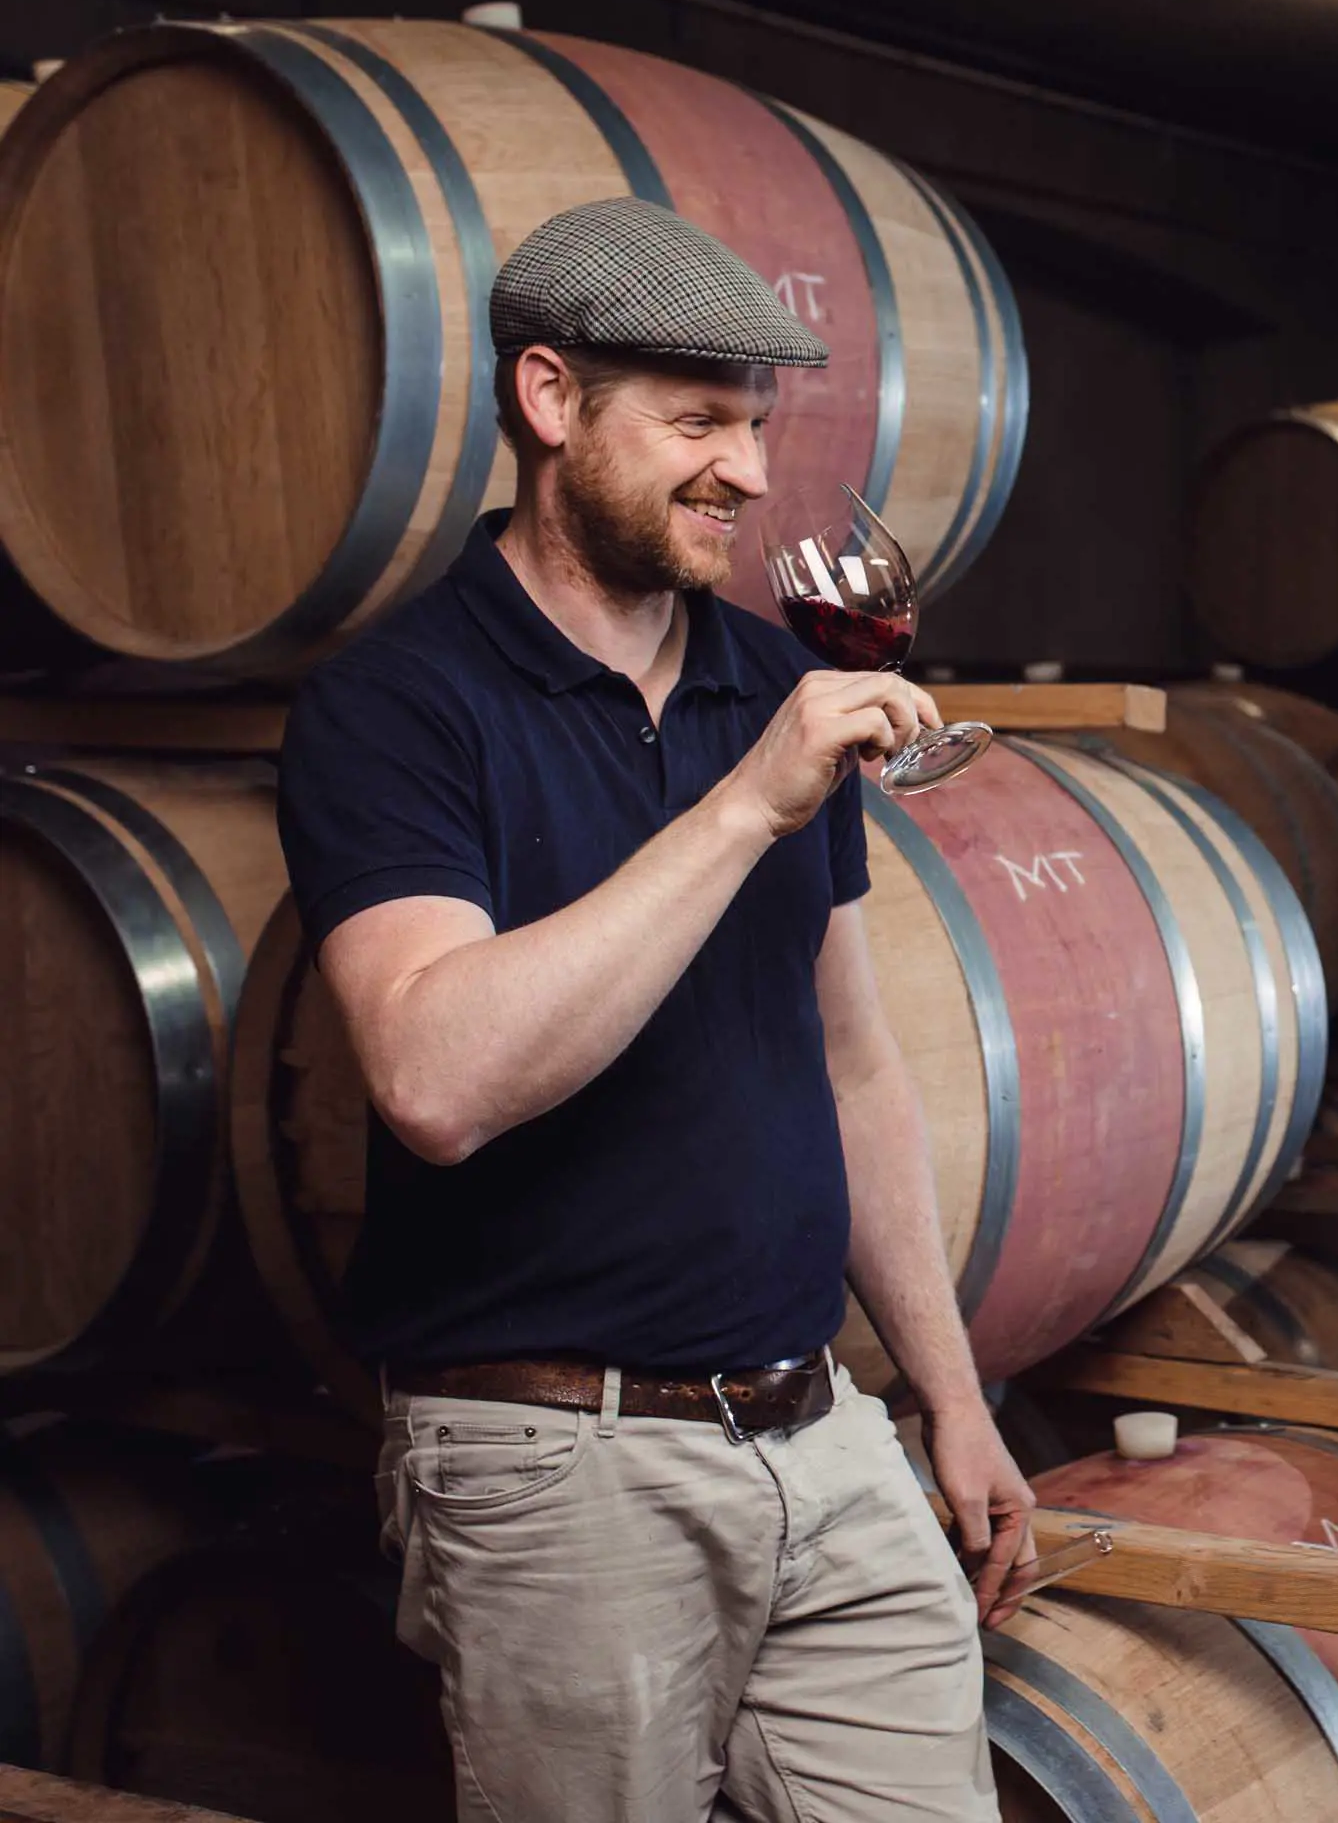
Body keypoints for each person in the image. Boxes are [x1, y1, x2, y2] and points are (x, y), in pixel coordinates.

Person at [278, 198, 1026, 1822]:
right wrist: (745, 808)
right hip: (560, 1465)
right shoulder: (396, 708)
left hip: (819, 1434)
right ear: (550, 401)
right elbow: (431, 1077)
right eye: (696, 424)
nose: (748, 478)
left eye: (755, 429)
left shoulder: (770, 677)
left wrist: (949, 1402)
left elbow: (853, 1064)